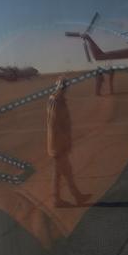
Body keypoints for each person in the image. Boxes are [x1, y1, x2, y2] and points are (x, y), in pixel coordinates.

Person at [47, 77, 90, 207]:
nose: (65, 89)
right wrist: (63, 142)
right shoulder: (55, 101)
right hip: (57, 144)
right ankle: (64, 198)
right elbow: (54, 124)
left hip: (61, 143)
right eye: (63, 87)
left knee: (62, 171)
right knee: (63, 171)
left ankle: (72, 196)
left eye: (65, 87)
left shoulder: (60, 100)